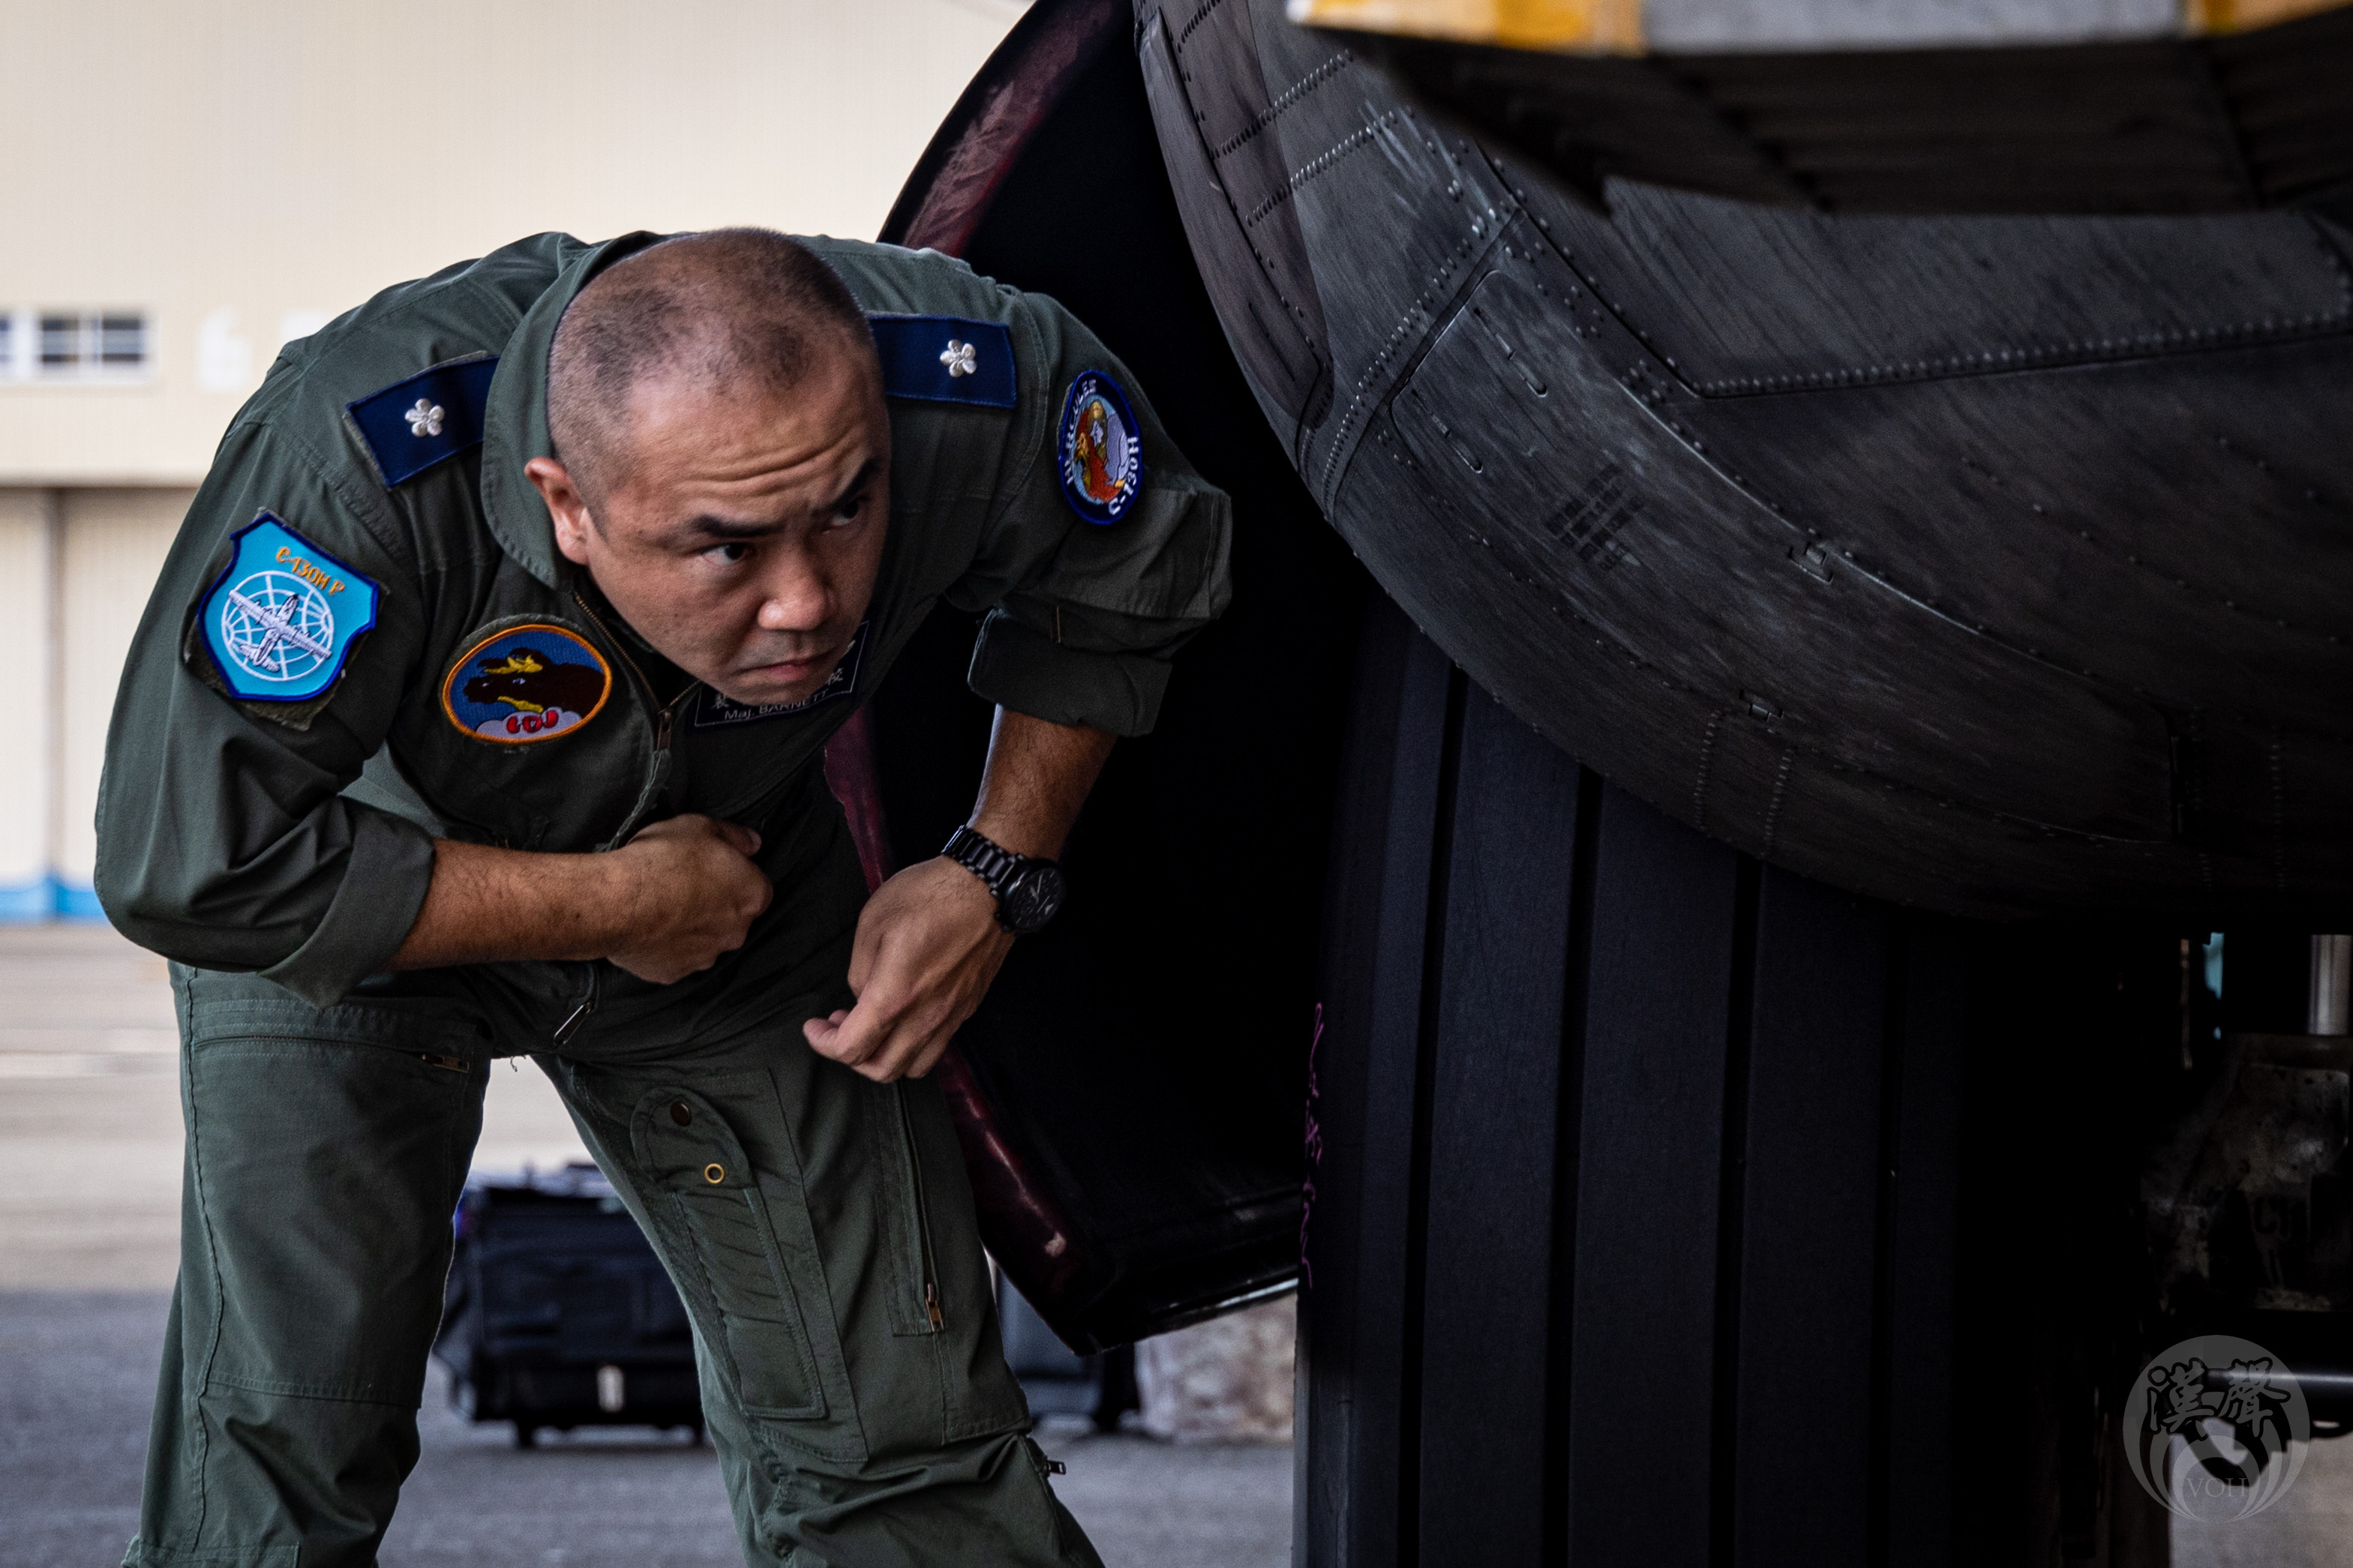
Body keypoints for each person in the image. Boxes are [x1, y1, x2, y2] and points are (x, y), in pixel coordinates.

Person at [95, 228, 1232, 1567]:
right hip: (352, 891)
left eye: (848, 510)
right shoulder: (351, 465)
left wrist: (994, 862)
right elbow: (193, 864)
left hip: (734, 881)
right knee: (284, 1453)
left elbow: (1132, 561)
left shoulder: (977, 376)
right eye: (724, 549)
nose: (805, 602)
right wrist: (615, 904)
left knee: (896, 1438)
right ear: (565, 503)